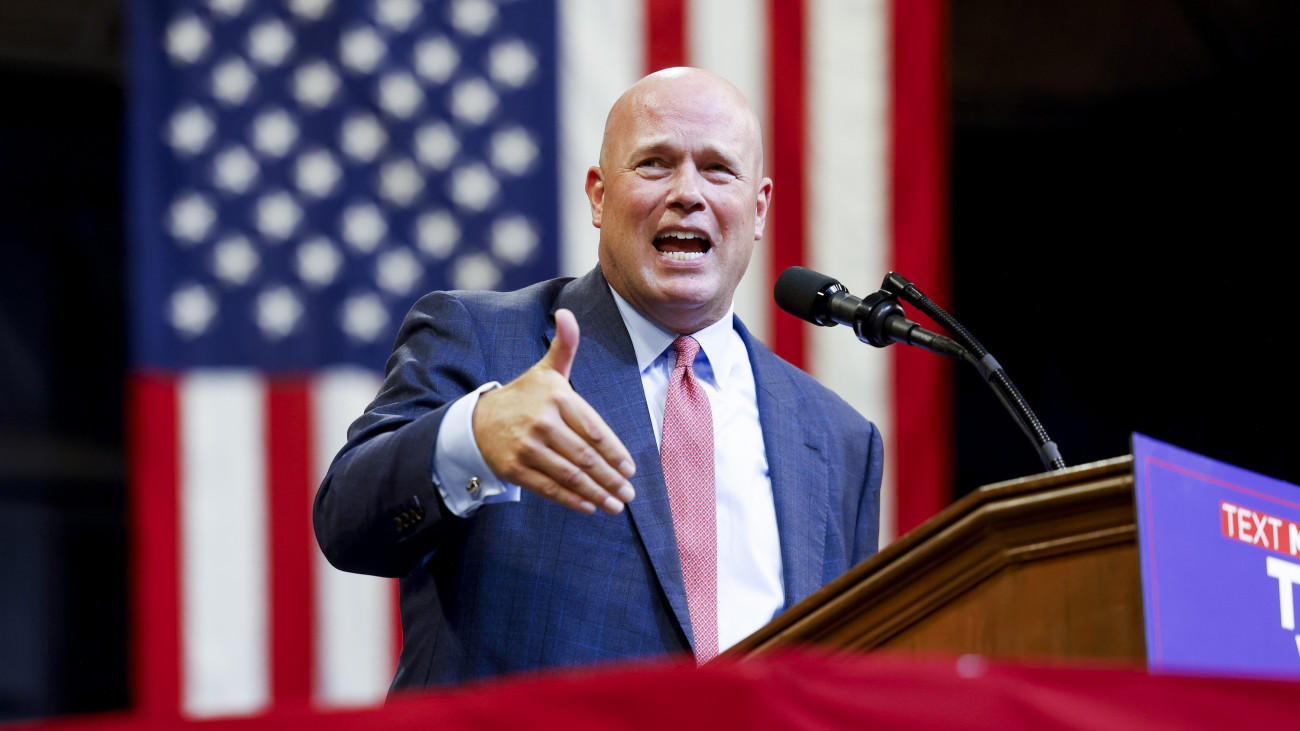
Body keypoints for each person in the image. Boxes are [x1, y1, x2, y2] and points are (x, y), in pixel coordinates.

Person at [313, 67, 882, 690]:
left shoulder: (839, 439)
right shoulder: (483, 338)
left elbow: (842, 673)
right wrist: (474, 437)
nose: (688, 192)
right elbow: (348, 522)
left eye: (718, 169)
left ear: (759, 208)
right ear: (598, 196)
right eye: (655, 164)